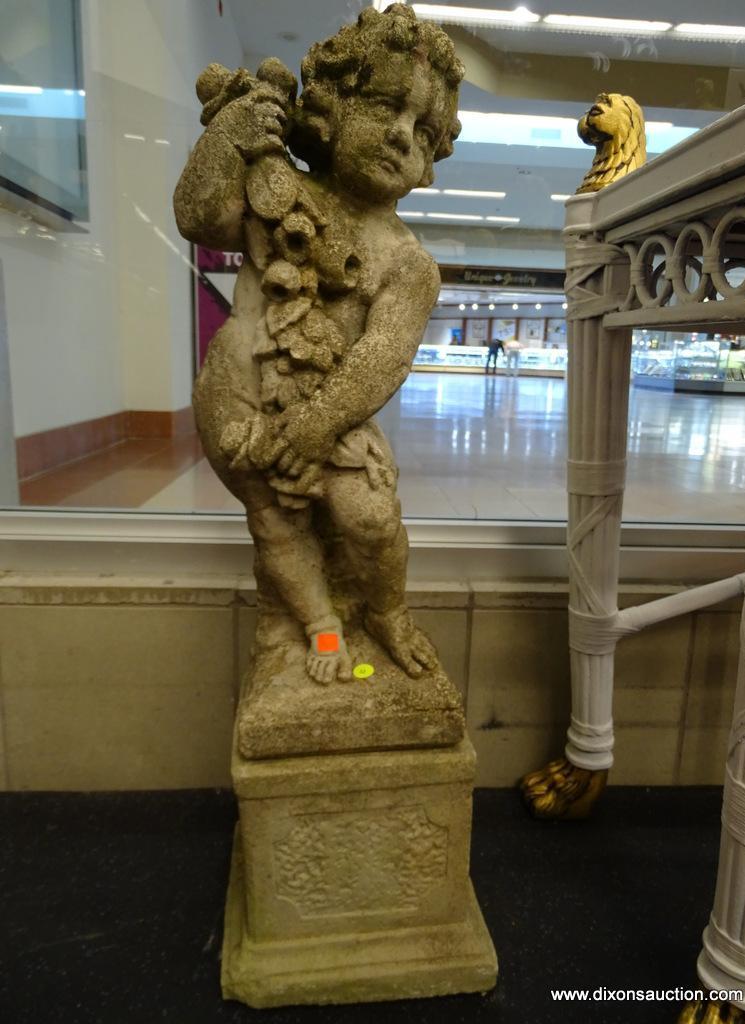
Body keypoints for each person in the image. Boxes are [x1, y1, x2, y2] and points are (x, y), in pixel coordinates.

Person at [174, 4, 463, 685]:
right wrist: (229, 139)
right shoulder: (279, 189)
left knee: (369, 517)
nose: (399, 137)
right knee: (276, 523)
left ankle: (387, 610)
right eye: (385, 106)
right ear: (331, 108)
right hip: (237, 395)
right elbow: (200, 215)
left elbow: (380, 361)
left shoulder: (406, 262)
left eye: (422, 132)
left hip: (329, 413)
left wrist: (311, 429)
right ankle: (317, 624)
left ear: (430, 161)